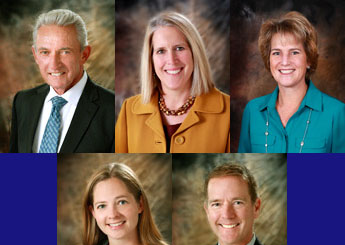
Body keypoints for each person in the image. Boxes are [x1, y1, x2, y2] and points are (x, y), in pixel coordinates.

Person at [115, 11, 230, 153]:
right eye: (161, 51)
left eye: (179, 48)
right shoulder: (129, 111)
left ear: (195, 53)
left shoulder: (228, 110)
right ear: (150, 59)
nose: (171, 60)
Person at [238, 11, 345, 153]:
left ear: (309, 59)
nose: (284, 61)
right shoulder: (252, 111)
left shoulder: (336, 113)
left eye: (294, 52)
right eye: (276, 53)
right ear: (268, 60)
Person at [9, 9, 114, 153]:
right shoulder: (23, 102)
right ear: (35, 55)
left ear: (84, 54)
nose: (54, 64)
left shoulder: (114, 110)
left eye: (65, 51)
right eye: (45, 52)